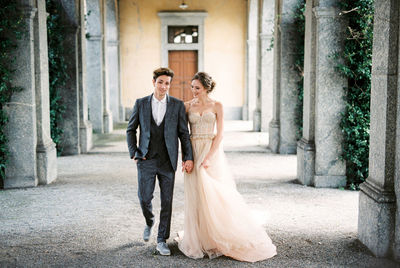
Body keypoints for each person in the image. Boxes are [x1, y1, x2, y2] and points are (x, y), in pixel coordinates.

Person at [177, 72, 277, 262]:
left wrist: (208, 157)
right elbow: (183, 134)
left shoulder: (217, 106)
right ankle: (199, 238)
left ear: (206, 88)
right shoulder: (186, 106)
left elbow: (220, 134)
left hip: (210, 151)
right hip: (193, 150)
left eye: (197, 87)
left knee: (215, 195)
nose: (193, 91)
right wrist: (186, 157)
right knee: (196, 195)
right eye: (192, 87)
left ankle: (217, 235)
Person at [126, 67, 194, 256]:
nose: (164, 86)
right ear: (154, 82)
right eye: (160, 82)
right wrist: (134, 152)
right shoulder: (140, 103)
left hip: (167, 161)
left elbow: (184, 134)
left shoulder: (177, 105)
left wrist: (188, 157)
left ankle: (161, 240)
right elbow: (130, 130)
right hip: (146, 159)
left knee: (167, 201)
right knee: (144, 197)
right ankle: (149, 221)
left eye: (167, 83)